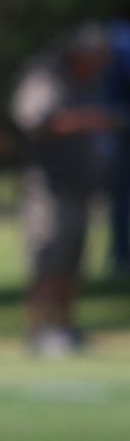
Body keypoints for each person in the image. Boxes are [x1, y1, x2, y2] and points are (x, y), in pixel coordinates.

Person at [10, 24, 123, 357]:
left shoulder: (88, 81)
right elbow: (37, 120)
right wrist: (94, 121)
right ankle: (39, 331)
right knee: (48, 259)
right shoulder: (45, 77)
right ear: (81, 53)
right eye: (97, 57)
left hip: (80, 186)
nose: (102, 64)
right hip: (47, 189)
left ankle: (64, 328)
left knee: (73, 262)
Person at [104, 16, 130, 276]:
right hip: (119, 129)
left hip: (113, 131)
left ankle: (120, 255)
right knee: (122, 197)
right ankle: (122, 256)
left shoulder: (112, 36)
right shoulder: (121, 39)